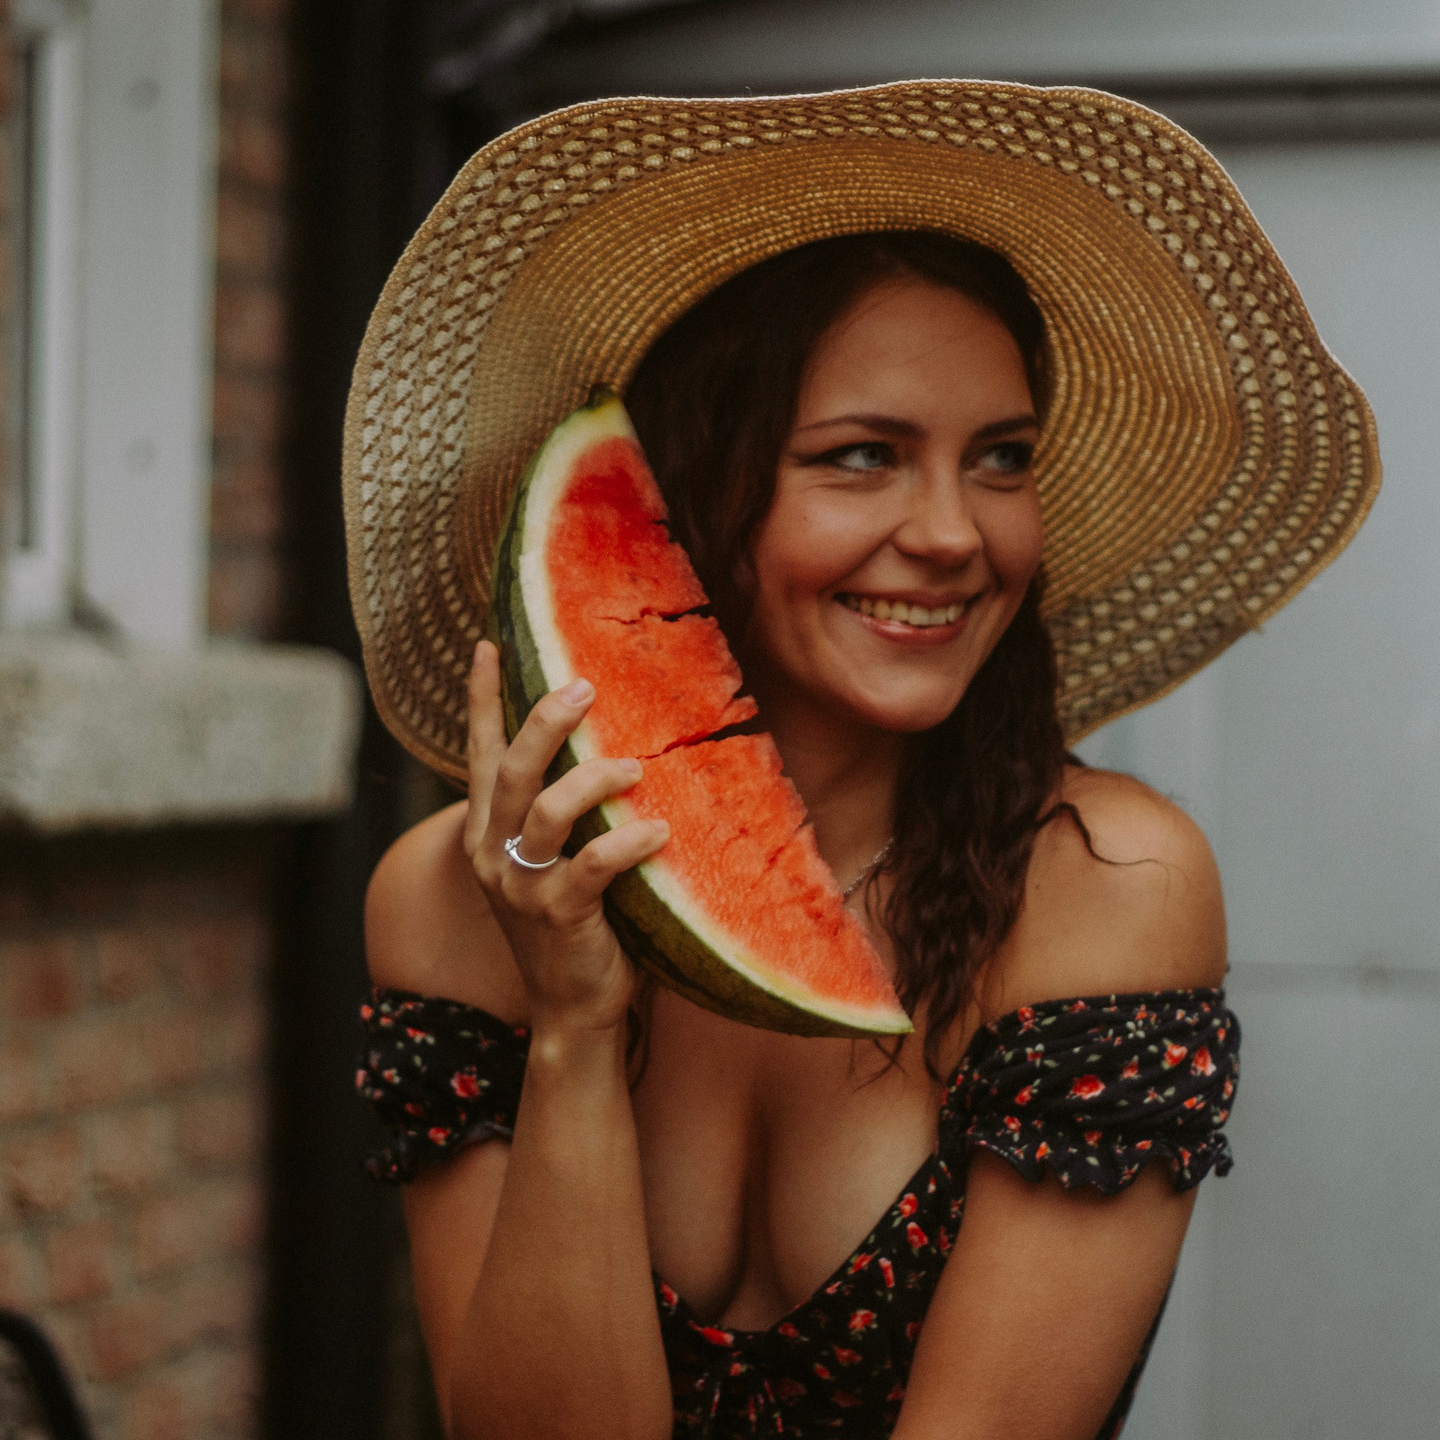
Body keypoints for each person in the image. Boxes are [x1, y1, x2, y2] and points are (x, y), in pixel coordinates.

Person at [341, 82, 1379, 1439]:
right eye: (862, 458)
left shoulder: (1105, 889)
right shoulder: (457, 901)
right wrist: (577, 1033)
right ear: (678, 500)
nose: (955, 532)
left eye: (1001, 459)